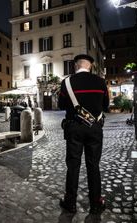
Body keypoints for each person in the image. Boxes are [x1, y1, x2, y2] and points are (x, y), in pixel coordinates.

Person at [58, 54, 109, 214]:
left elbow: (60, 105)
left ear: (75, 66)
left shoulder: (66, 82)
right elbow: (106, 105)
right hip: (94, 128)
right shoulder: (100, 82)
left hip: (74, 127)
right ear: (90, 66)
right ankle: (96, 203)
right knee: (93, 166)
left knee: (73, 166)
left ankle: (70, 203)